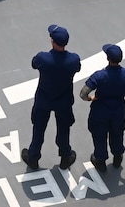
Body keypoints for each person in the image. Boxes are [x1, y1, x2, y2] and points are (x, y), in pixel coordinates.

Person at [23, 24, 81, 171]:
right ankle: (65, 157)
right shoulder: (73, 60)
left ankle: (33, 157)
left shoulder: (43, 58)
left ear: (52, 41)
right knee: (63, 130)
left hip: (44, 100)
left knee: (39, 129)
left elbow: (33, 64)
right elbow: (78, 68)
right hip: (64, 101)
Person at [80, 43, 125, 172]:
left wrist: (90, 98)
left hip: (100, 111)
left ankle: (100, 160)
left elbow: (83, 93)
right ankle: (117, 156)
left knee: (99, 135)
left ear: (108, 59)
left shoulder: (99, 76)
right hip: (118, 110)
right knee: (117, 133)